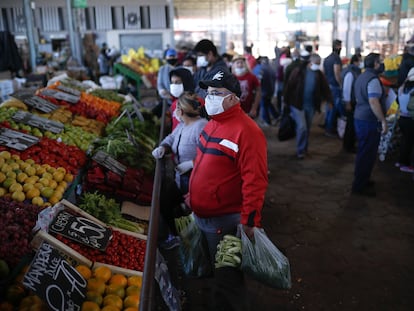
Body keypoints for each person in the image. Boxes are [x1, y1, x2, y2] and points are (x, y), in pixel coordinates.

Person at [187, 68, 268, 310]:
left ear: (233, 97)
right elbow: (202, 164)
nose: (209, 98)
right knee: (216, 271)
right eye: (208, 92)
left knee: (227, 279)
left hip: (226, 222)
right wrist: (192, 194)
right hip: (204, 216)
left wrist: (250, 220)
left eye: (216, 93)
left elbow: (256, 180)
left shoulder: (248, 131)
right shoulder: (213, 124)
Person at [152, 91, 208, 249]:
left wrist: (191, 163)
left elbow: (210, 155)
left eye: (176, 109)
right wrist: (163, 147)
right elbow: (171, 137)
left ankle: (198, 245)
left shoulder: (201, 127)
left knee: (194, 212)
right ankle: (177, 236)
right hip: (180, 177)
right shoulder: (184, 125)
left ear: (181, 111)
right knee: (164, 201)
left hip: (195, 179)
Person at [352, 53, 388, 197]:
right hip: (368, 121)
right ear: (375, 64)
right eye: (380, 62)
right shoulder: (373, 79)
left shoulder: (362, 76)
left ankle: (363, 180)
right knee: (366, 153)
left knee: (364, 152)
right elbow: (374, 102)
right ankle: (359, 186)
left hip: (360, 117)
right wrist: (383, 120)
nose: (382, 64)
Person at [283, 53, 333, 159]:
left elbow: (325, 88)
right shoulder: (299, 71)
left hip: (310, 106)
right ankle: (300, 151)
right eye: (317, 64)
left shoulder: (318, 74)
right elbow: (289, 86)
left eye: (319, 64)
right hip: (297, 104)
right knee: (302, 127)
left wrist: (329, 100)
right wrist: (286, 102)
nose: (318, 66)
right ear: (310, 62)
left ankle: (304, 149)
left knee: (307, 128)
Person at [341, 53, 363, 153]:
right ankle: (348, 146)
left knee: (351, 124)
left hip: (353, 102)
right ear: (355, 61)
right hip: (351, 102)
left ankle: (349, 144)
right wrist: (348, 103)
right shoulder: (351, 73)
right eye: (360, 60)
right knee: (350, 125)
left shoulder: (355, 71)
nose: (361, 63)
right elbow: (347, 89)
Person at [323, 39, 344, 137]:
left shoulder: (327, 58)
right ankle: (330, 129)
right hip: (335, 87)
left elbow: (323, 72)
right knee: (334, 108)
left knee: (329, 107)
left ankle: (327, 125)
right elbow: (337, 73)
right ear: (338, 46)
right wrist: (341, 84)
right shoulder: (336, 59)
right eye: (340, 46)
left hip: (328, 86)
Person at [396, 67, 414, 173]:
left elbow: (398, 102)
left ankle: (401, 161)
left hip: (402, 118)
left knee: (405, 141)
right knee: (410, 143)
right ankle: (406, 164)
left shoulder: (401, 88)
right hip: (411, 120)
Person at [168, 67, 197, 132]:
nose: (174, 85)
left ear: (186, 83)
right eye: (172, 82)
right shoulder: (174, 104)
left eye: (177, 82)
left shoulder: (197, 102)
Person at [253, 56, 278, 126]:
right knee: (268, 103)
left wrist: (256, 90)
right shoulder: (270, 68)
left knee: (264, 105)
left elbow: (258, 81)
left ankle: (267, 121)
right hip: (270, 90)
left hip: (263, 91)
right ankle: (276, 116)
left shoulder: (259, 69)